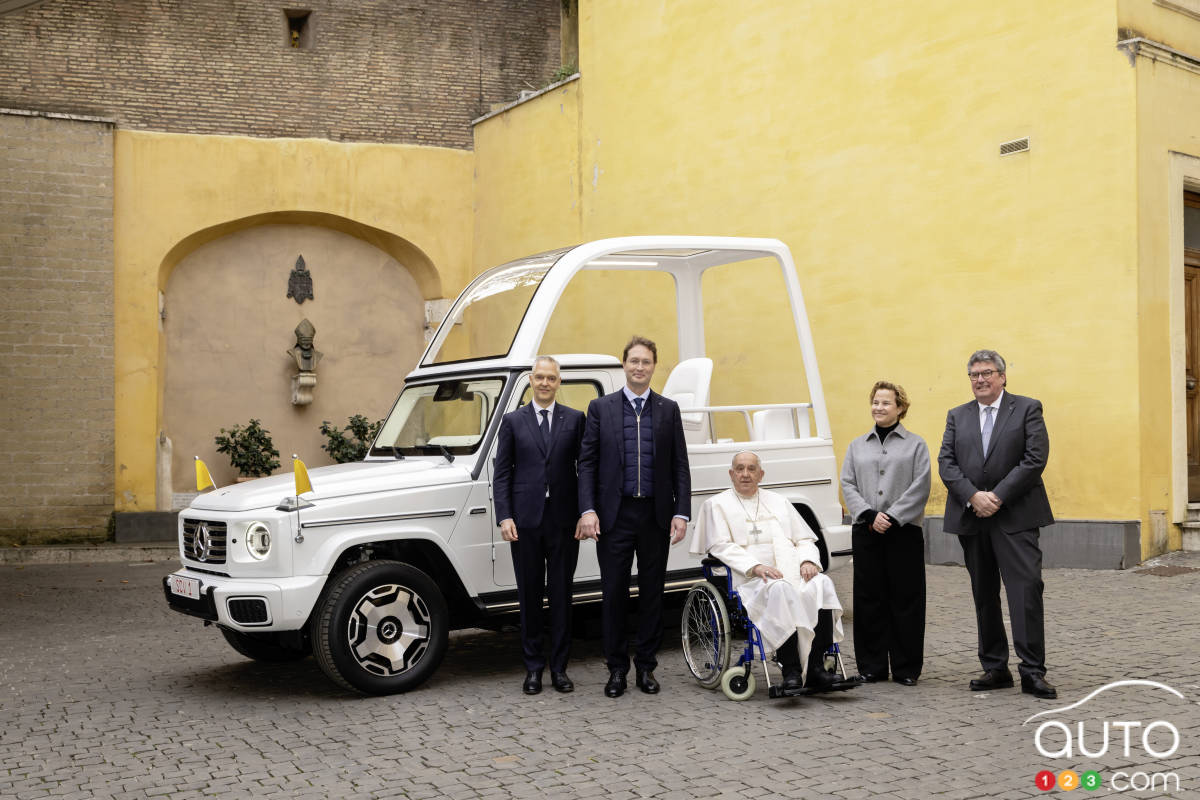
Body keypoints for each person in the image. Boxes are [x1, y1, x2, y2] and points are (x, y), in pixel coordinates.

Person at [938, 349, 1056, 699]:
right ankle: (995, 667)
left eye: (987, 373)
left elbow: (1035, 458)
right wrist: (974, 496)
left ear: (1002, 376)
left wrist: (998, 496)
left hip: (1016, 517)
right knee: (984, 595)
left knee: (1026, 592)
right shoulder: (957, 416)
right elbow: (947, 463)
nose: (980, 379)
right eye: (974, 374)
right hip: (972, 518)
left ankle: (1032, 671)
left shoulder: (1027, 408)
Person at [577, 335, 691, 698]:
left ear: (653, 367)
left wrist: (681, 512)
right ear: (623, 365)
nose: (639, 367)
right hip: (615, 517)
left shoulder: (668, 409)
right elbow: (588, 463)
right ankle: (616, 669)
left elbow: (680, 465)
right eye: (633, 361)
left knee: (653, 594)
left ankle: (646, 667)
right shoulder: (601, 408)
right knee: (613, 594)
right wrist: (588, 509)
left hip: (655, 516)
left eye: (646, 362)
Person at [691, 451, 848, 692]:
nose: (745, 474)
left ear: (761, 474)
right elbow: (720, 545)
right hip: (750, 580)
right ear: (731, 474)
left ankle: (816, 668)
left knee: (822, 584)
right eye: (740, 469)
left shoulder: (779, 502)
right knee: (779, 589)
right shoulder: (717, 505)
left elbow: (804, 538)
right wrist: (755, 566)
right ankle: (791, 670)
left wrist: (807, 561)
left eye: (751, 469)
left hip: (790, 572)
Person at [493, 356, 586, 695]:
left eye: (552, 378)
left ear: (559, 382)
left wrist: (584, 512)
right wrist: (505, 516)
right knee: (530, 597)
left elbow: (584, 470)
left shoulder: (575, 420)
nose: (545, 383)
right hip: (525, 522)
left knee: (562, 596)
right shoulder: (513, 421)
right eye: (540, 377)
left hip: (564, 521)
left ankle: (559, 669)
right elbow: (502, 473)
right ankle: (533, 669)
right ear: (530, 380)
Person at [839, 381, 931, 686]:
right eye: (875, 402)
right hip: (866, 531)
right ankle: (872, 666)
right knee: (869, 599)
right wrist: (867, 514)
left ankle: (906, 668)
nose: (879, 408)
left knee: (906, 599)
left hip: (903, 531)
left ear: (900, 407)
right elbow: (847, 483)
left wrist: (891, 516)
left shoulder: (915, 445)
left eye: (886, 403)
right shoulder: (856, 445)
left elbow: (921, 485)